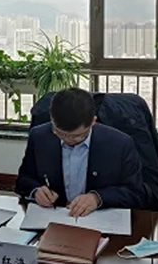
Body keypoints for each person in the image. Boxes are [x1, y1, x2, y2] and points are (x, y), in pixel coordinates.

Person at [15, 87, 146, 216]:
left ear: (93, 122)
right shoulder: (39, 136)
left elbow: (136, 193)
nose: (68, 140)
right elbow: (23, 179)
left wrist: (97, 198)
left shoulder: (120, 144)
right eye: (60, 133)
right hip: (56, 217)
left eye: (76, 136)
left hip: (99, 219)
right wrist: (36, 191)